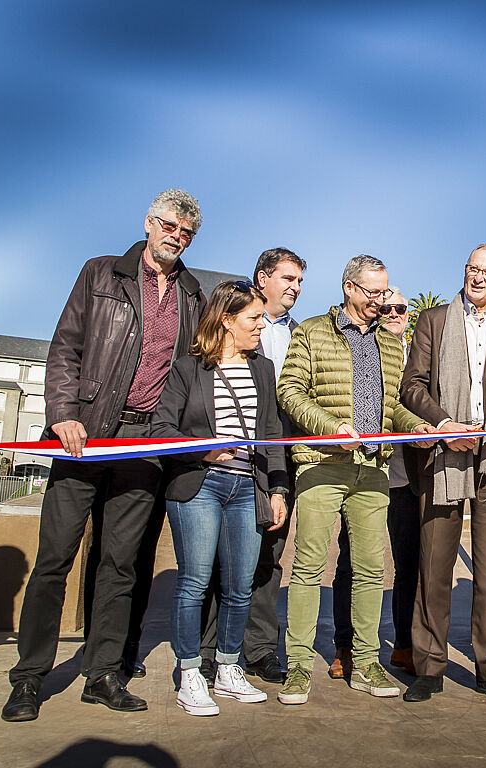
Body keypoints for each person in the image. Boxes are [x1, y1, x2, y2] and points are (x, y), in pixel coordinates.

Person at [3, 190, 207, 722]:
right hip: (83, 437)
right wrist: (62, 413)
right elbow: (65, 348)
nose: (176, 237)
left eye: (186, 232)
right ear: (149, 223)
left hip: (144, 446)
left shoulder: (192, 294)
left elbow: (187, 373)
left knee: (121, 564)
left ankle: (102, 674)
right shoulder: (100, 273)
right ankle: (29, 677)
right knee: (55, 559)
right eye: (169, 226)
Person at [276, 255, 430, 706]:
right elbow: (289, 391)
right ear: (349, 288)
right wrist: (331, 428)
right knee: (308, 568)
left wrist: (417, 427)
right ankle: (298, 666)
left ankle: (365, 662)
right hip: (321, 465)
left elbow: (393, 406)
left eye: (385, 292)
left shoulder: (390, 344)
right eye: (373, 292)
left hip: (374, 468)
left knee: (370, 570)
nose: (381, 301)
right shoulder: (311, 332)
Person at [400, 244, 486, 703]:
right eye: (472, 269)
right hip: (445, 456)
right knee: (434, 566)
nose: (477, 278)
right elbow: (411, 385)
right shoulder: (434, 321)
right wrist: (443, 425)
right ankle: (429, 667)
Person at [151, 281, 289, 716]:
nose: (261, 326)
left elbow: (272, 434)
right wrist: (203, 449)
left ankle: (229, 668)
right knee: (194, 582)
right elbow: (161, 429)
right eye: (253, 318)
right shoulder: (188, 368)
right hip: (200, 485)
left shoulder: (263, 369)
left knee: (240, 585)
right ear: (227, 320)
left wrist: (279, 489)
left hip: (248, 488)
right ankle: (190, 673)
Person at [199, 247, 306, 686]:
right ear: (263, 278)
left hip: (278, 458)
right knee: (217, 557)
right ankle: (208, 650)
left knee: (269, 556)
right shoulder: (233, 325)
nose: (295, 288)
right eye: (287, 278)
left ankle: (260, 649)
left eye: (299, 281)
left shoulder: (300, 334)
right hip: (226, 462)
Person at [330, 287, 420, 676]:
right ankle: (345, 647)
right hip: (365, 471)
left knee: (408, 564)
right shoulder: (361, 349)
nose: (394, 313)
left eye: (401, 308)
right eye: (386, 308)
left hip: (405, 480)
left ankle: (404, 645)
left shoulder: (417, 355)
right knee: (351, 562)